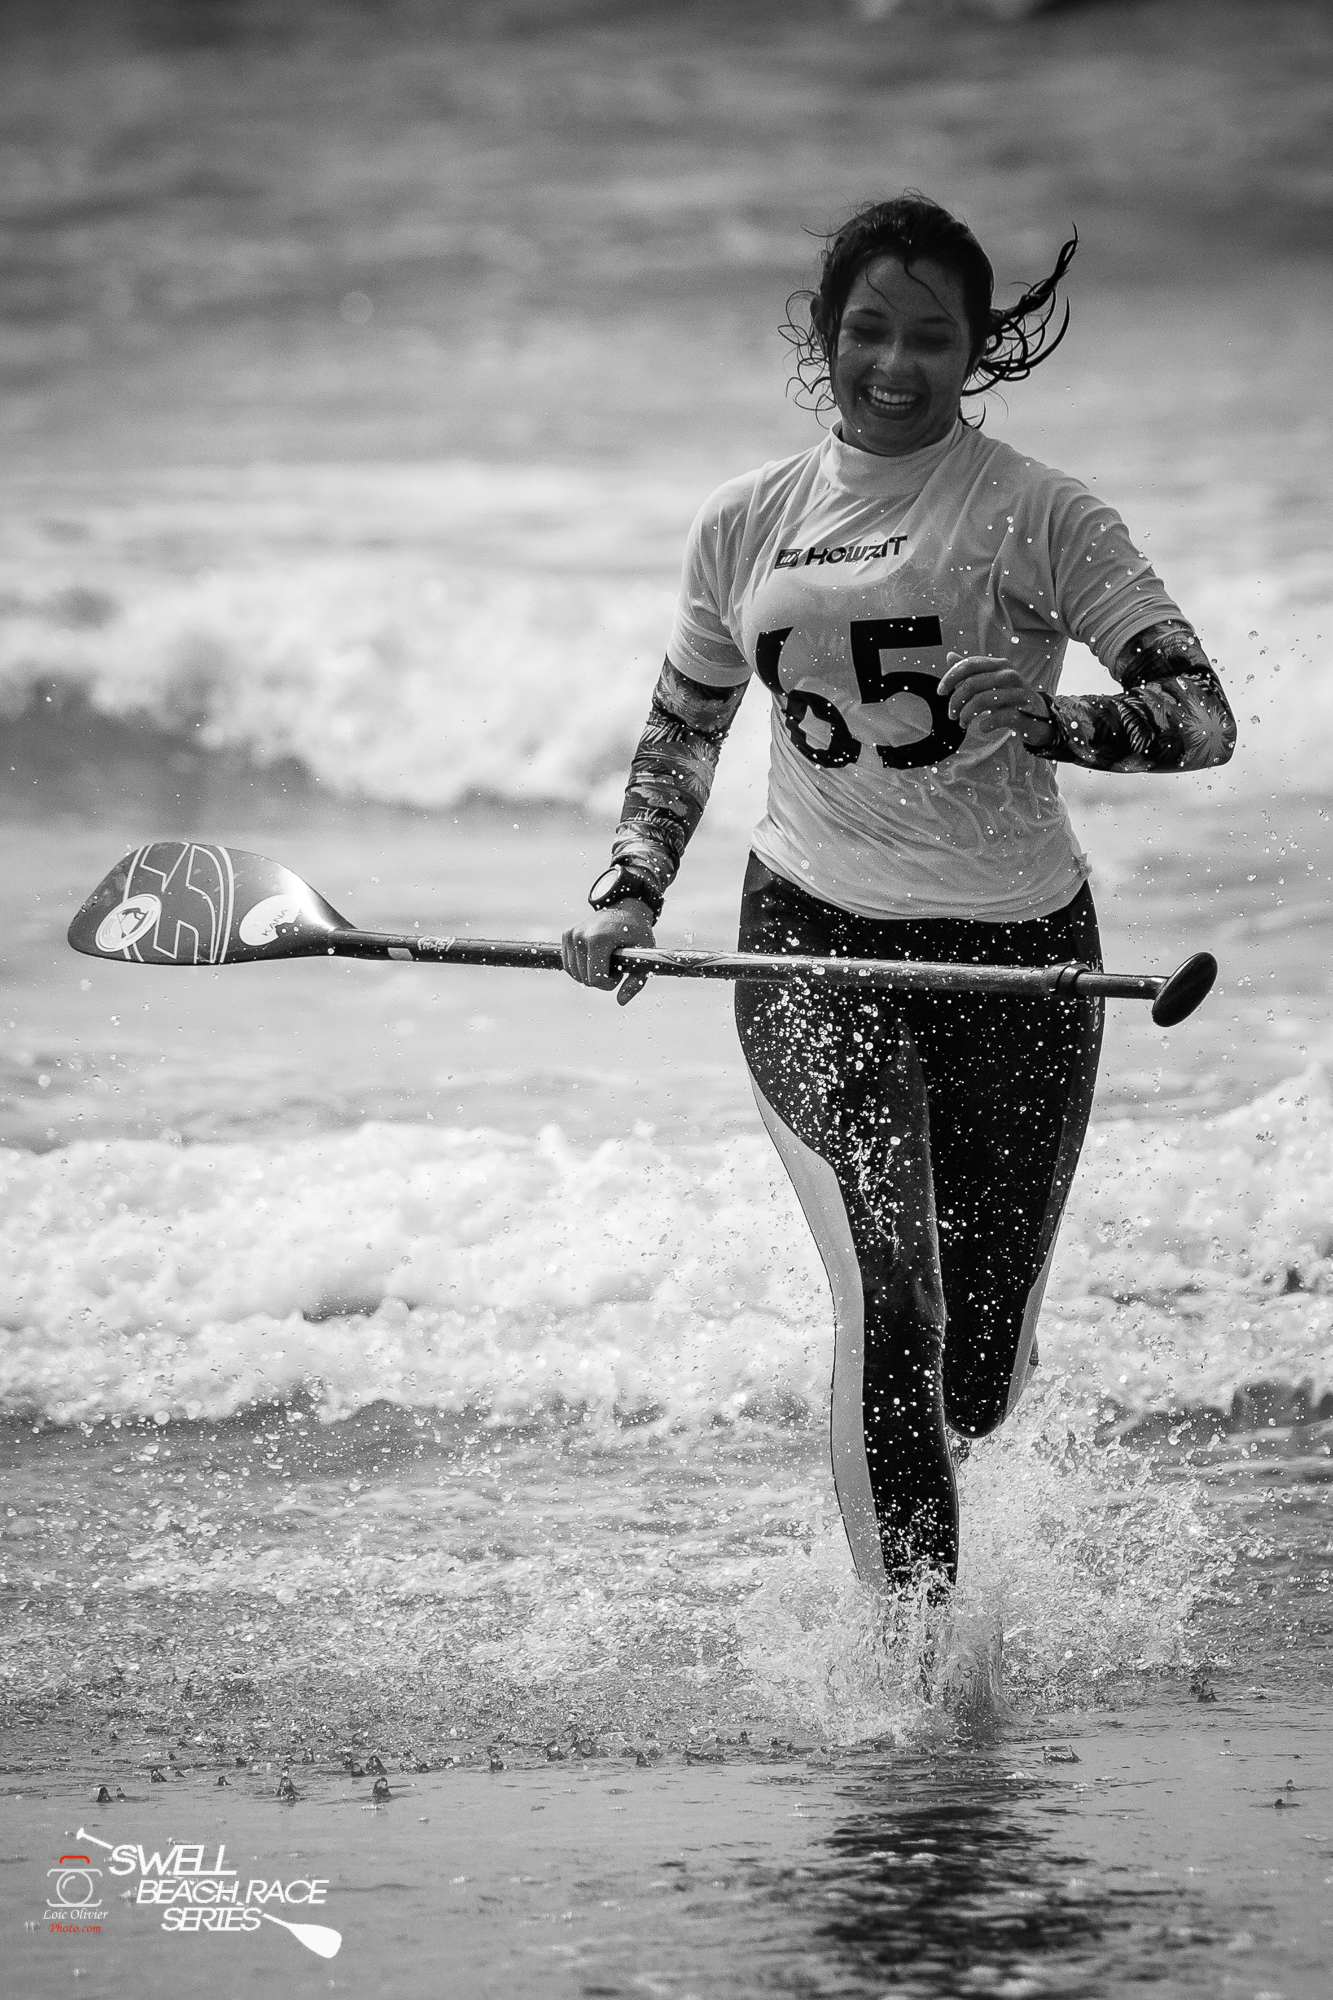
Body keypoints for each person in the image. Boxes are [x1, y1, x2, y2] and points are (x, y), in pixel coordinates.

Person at [562, 194, 1235, 1601]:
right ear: (824, 336)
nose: (894, 362)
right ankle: (910, 1670)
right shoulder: (745, 521)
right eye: (867, 329)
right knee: (889, 1293)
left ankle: (944, 1522)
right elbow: (684, 728)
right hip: (810, 937)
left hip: (1020, 953)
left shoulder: (1041, 513)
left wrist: (1058, 721)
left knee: (975, 1372)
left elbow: (1199, 716)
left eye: (931, 336)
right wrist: (629, 892)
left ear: (977, 348)